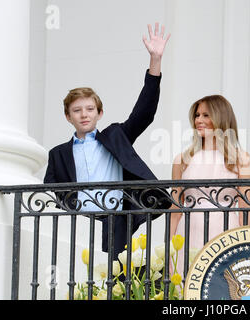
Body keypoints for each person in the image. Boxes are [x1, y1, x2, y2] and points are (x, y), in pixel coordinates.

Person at [44, 23, 171, 259]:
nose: (84, 114)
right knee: (76, 283)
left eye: (90, 109)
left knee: (114, 283)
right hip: (77, 224)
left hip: (116, 222)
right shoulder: (57, 154)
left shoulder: (116, 136)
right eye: (77, 110)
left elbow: (144, 112)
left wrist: (155, 62)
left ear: (99, 113)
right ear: (68, 116)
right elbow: (50, 189)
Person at [170, 95, 250, 277]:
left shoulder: (241, 158)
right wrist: (168, 249)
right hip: (189, 233)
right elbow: (175, 208)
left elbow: (245, 208)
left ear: (221, 118)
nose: (199, 120)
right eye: (197, 115)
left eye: (206, 115)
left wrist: (246, 247)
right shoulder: (182, 159)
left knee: (225, 288)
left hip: (226, 233)